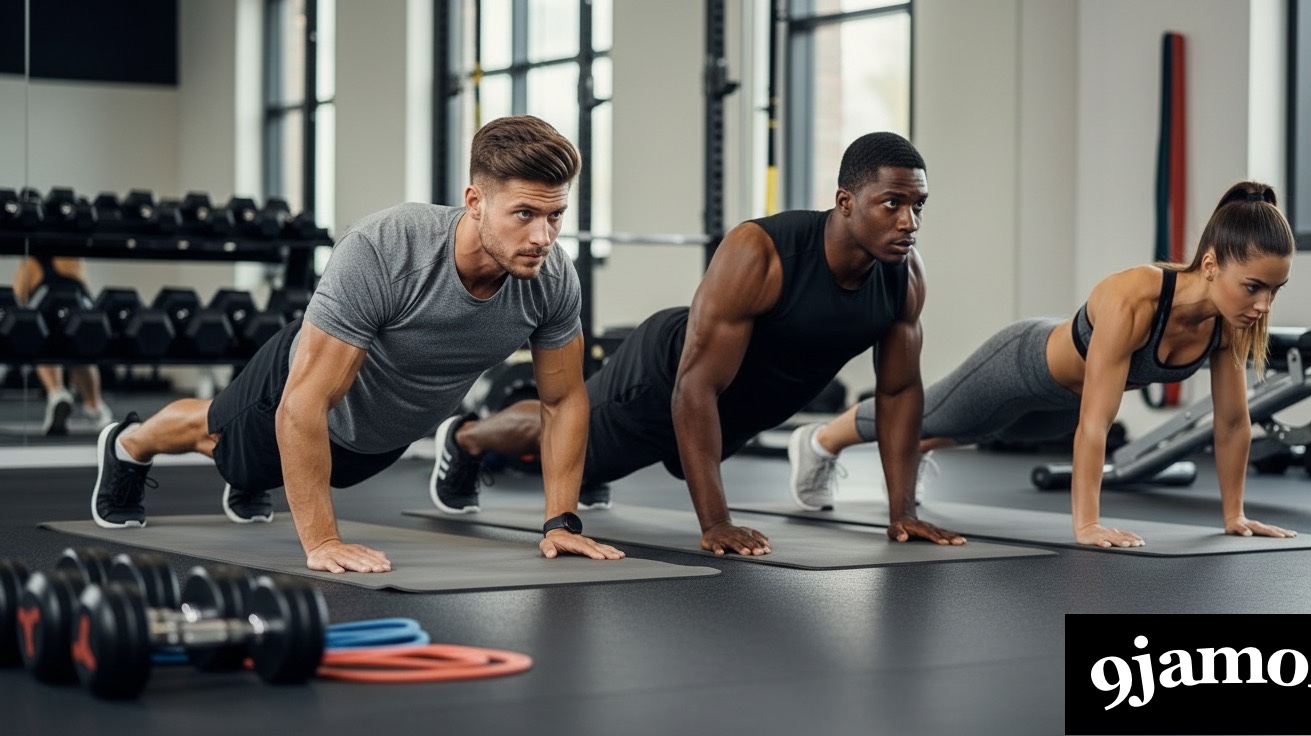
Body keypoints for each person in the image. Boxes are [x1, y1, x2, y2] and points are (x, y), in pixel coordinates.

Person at [88, 115, 624, 573]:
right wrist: (322, 541)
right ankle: (129, 443)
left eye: (555, 216)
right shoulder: (386, 249)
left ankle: (265, 476)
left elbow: (562, 400)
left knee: (314, 471)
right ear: (475, 201)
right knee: (228, 450)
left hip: (378, 435)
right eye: (525, 214)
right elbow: (304, 403)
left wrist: (561, 521)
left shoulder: (552, 278)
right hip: (300, 386)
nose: (543, 237)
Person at [432, 131, 966, 556]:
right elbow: (695, 386)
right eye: (892, 203)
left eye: (918, 205)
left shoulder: (904, 275)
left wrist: (904, 513)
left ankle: (591, 467)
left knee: (601, 461)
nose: (909, 222)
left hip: (737, 407)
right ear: (846, 202)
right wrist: (715, 523)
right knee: (578, 447)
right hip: (666, 375)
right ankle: (468, 438)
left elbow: (898, 394)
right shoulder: (762, 252)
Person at [788, 180, 1299, 549]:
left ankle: (915, 451)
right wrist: (1088, 525)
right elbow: (1097, 422)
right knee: (934, 413)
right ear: (1210, 264)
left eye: (1274, 290)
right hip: (1023, 364)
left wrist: (1235, 515)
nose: (1263, 305)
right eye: (1253, 286)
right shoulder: (1137, 295)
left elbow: (1233, 423)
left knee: (978, 430)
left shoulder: (1229, 324)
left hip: (1061, 405)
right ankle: (818, 441)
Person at [11, 255, 114, 436]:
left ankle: (57, 394)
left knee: (40, 339)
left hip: (47, 313)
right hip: (77, 312)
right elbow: (85, 294)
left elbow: (16, 299)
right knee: (77, 346)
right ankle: (96, 407)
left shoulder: (32, 261)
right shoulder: (74, 259)